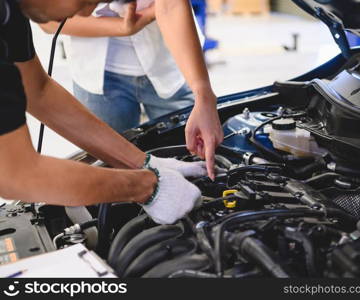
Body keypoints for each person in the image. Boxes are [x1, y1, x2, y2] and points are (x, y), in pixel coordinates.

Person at [0, 0, 222, 225]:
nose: (87, 12)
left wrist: (144, 163)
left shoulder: (12, 14)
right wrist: (147, 186)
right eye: (87, 1)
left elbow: (38, 91)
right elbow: (15, 174)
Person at [40, 1, 202, 134]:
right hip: (96, 76)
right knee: (111, 164)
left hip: (169, 66)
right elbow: (49, 20)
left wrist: (204, 94)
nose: (86, 12)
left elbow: (171, 6)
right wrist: (123, 28)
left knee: (194, 155)